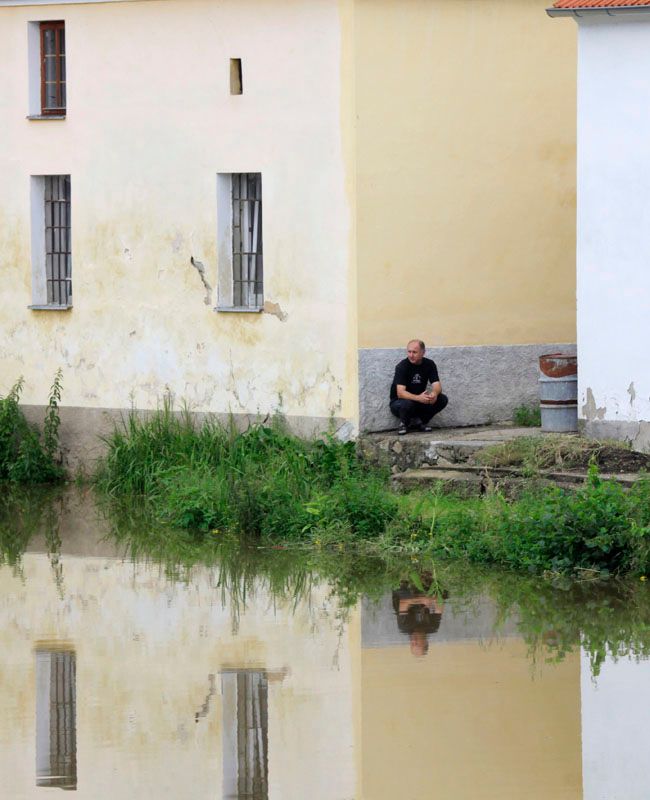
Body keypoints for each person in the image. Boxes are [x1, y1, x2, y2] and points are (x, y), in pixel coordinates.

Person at [389, 339, 448, 435]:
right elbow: (400, 393)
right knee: (407, 403)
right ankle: (404, 424)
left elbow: (437, 385)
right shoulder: (402, 366)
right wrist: (418, 398)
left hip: (419, 401)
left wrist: (434, 394)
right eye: (409, 352)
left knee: (442, 399)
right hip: (399, 403)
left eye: (414, 352)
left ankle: (420, 422)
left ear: (423, 353)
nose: (411, 355)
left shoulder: (429, 364)